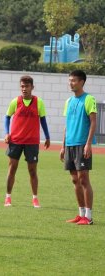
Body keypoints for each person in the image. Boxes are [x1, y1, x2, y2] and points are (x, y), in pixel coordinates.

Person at [3, 75, 50, 208]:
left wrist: (47, 136)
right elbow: (7, 117)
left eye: (27, 86)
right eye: (22, 86)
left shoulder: (39, 102)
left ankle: (35, 198)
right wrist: (7, 133)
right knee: (12, 168)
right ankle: (8, 197)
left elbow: (43, 120)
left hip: (32, 141)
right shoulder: (15, 102)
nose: (24, 89)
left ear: (32, 87)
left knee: (32, 170)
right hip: (16, 140)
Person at [60, 70, 97, 225]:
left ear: (81, 82)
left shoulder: (89, 99)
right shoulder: (68, 101)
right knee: (75, 180)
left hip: (82, 144)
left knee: (83, 179)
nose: (71, 83)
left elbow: (93, 122)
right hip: (70, 144)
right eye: (70, 80)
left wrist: (88, 144)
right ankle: (80, 213)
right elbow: (67, 126)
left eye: (73, 80)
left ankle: (88, 217)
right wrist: (63, 146)